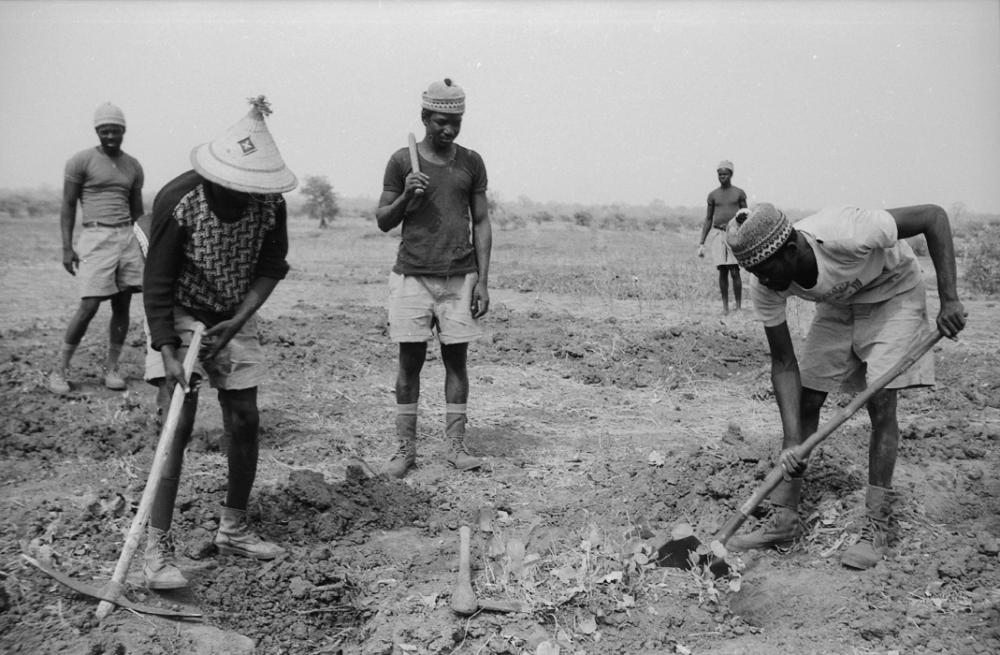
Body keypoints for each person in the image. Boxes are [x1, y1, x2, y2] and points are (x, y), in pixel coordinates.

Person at [725, 202, 966, 569]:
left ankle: (877, 524)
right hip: (839, 301)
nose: (762, 281)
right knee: (806, 400)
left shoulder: (849, 230)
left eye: (766, 271)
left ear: (791, 249)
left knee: (881, 402)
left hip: (893, 291)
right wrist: (792, 441)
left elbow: (934, 217)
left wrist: (949, 298)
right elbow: (784, 363)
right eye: (752, 272)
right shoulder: (765, 280)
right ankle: (785, 520)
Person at [140, 96, 296, 589]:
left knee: (245, 419)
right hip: (180, 306)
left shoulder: (270, 205)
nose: (239, 194)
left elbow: (271, 267)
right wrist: (167, 350)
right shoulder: (179, 200)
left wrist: (236, 321)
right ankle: (155, 550)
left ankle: (234, 528)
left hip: (232, 310)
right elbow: (157, 282)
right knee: (178, 420)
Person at [376, 78, 492, 479]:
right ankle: (404, 449)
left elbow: (481, 221)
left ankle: (455, 446)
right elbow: (383, 221)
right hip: (412, 276)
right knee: (409, 363)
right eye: (442, 121)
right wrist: (408, 195)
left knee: (456, 362)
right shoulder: (401, 162)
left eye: (456, 122)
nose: (449, 130)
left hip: (460, 277)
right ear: (425, 117)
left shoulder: (471, 162)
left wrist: (484, 280)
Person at [49, 102, 145, 394]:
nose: (110, 136)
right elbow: (67, 205)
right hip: (95, 236)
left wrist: (142, 245)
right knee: (89, 305)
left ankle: (111, 368)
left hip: (126, 236)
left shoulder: (133, 165)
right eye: (105, 131)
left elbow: (137, 210)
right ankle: (60, 370)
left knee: (123, 303)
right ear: (97, 131)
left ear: (124, 131)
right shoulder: (80, 161)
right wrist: (67, 248)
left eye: (115, 131)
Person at [697, 160, 747, 315]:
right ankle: (725, 307)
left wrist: (743, 233)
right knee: (722, 271)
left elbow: (746, 215)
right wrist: (702, 243)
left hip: (734, 233)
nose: (722, 177)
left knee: (734, 270)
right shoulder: (713, 195)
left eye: (725, 174)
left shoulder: (739, 193)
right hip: (718, 234)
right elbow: (708, 219)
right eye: (720, 175)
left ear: (731, 174)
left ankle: (738, 307)